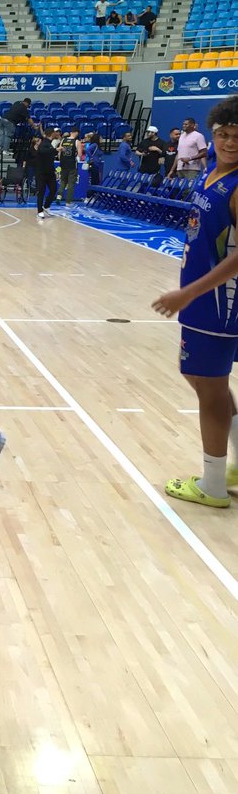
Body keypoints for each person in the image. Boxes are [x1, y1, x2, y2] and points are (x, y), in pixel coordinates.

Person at [152, 96, 238, 508]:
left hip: (216, 302)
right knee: (207, 382)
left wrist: (188, 293)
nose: (230, 143)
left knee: (209, 387)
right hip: (205, 298)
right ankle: (231, 464)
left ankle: (214, 484)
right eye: (223, 134)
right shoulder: (210, 170)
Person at [33, 134, 57, 220]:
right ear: (51, 134)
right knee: (41, 192)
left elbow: (50, 158)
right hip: (41, 173)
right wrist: (55, 149)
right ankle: (40, 211)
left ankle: (46, 206)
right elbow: (43, 151)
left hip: (50, 172)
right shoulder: (43, 144)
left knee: (53, 189)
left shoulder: (50, 144)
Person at [57, 128, 82, 204]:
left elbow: (59, 154)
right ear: (77, 133)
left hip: (63, 164)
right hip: (72, 165)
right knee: (71, 183)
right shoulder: (77, 142)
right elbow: (80, 155)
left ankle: (59, 196)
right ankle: (68, 201)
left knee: (63, 181)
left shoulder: (63, 140)